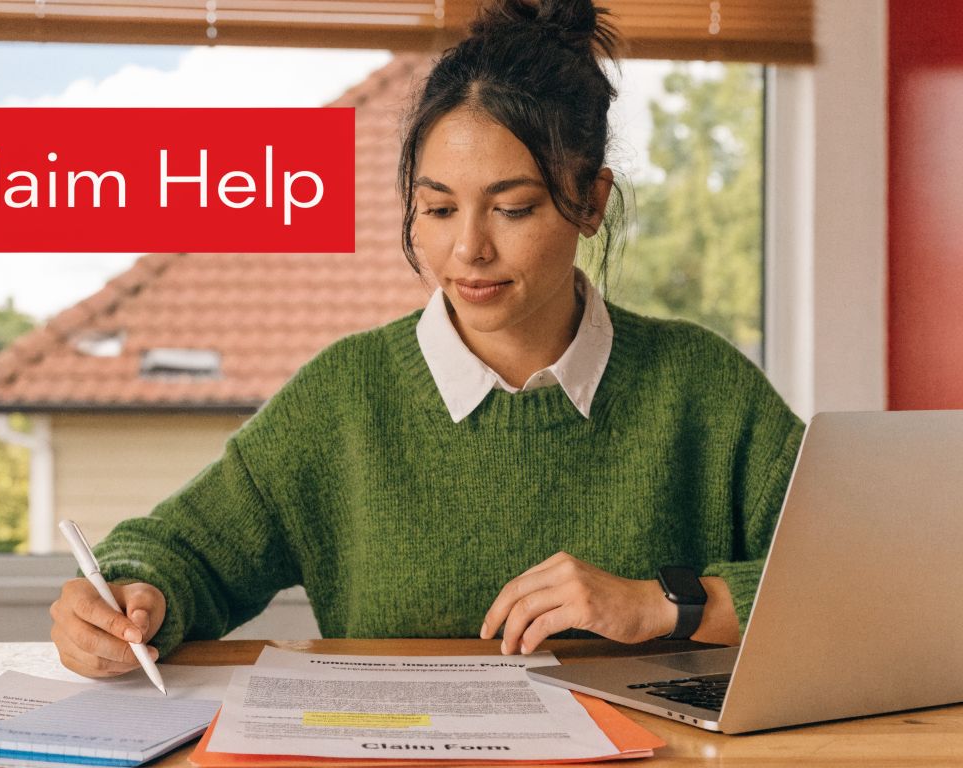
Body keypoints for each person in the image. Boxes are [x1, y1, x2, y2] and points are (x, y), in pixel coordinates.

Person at [49, 0, 804, 678]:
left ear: (590, 201)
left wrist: (661, 604)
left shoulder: (703, 387)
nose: (468, 249)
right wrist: (129, 595)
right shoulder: (345, 395)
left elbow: (853, 580)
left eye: (512, 208)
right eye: (438, 210)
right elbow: (182, 552)